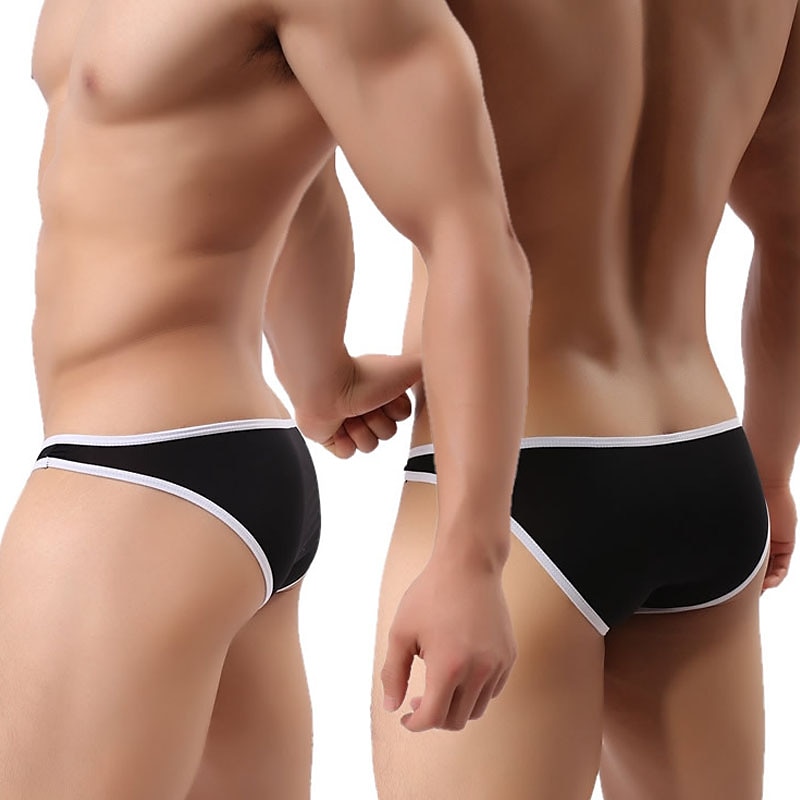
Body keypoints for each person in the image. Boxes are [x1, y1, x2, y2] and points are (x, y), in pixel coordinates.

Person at [0, 0, 532, 797]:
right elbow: (300, 172)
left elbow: (472, 234)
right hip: (198, 469)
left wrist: (472, 557)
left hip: (127, 482)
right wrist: (320, 372)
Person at [372, 2, 799, 798]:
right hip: (707, 457)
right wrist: (772, 466)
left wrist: (317, 373)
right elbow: (792, 230)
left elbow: (267, 127)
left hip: (509, 490)